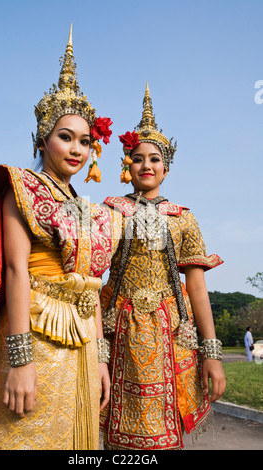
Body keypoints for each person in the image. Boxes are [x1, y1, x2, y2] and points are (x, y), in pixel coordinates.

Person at [0, 26, 120, 450]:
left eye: (85, 141)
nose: (77, 149)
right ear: (43, 138)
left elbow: (92, 289)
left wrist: (102, 359)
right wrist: (20, 362)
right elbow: (16, 271)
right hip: (37, 336)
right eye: (65, 137)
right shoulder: (21, 188)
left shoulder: (91, 209)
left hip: (85, 346)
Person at [100, 84, 226, 450]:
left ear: (166, 169)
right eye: (138, 158)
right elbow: (91, 279)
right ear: (128, 165)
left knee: (164, 434)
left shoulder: (183, 219)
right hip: (118, 331)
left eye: (155, 159)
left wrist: (212, 353)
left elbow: (197, 289)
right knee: (112, 425)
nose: (146, 165)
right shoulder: (109, 213)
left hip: (172, 333)